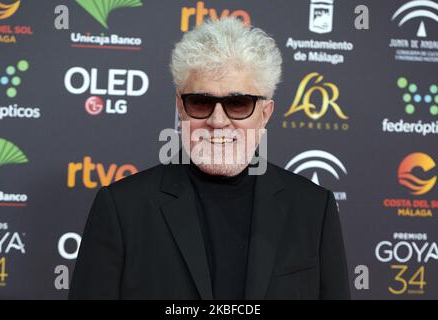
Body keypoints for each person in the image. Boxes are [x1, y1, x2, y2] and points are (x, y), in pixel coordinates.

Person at [69, 17, 350, 300]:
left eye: (238, 104)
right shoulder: (122, 209)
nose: (218, 121)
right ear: (181, 107)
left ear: (265, 113)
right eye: (201, 102)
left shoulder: (314, 209)